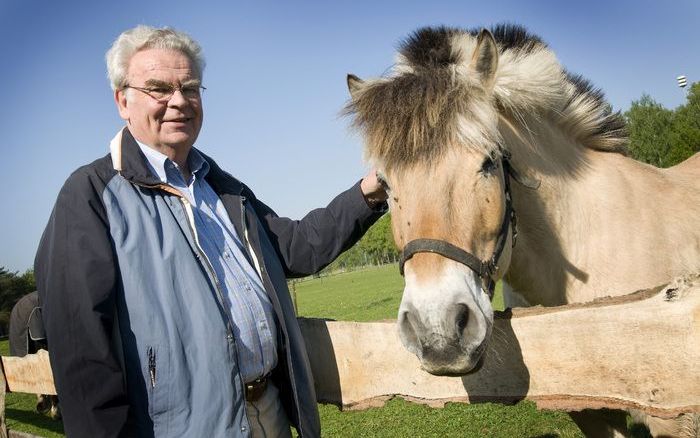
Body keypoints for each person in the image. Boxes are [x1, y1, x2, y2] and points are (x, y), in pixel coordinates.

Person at [35, 25, 387, 438]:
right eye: (158, 88)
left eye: (191, 87)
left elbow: (295, 247)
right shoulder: (90, 196)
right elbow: (83, 358)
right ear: (122, 101)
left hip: (268, 411)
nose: (179, 101)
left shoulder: (222, 187)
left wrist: (371, 190)